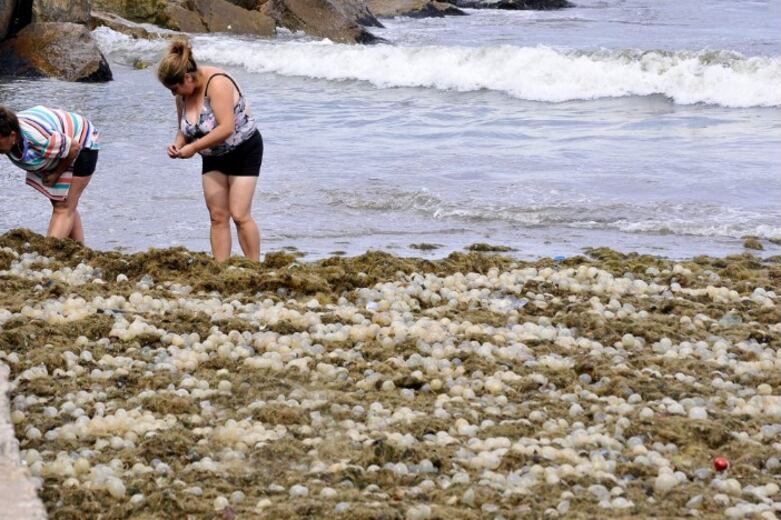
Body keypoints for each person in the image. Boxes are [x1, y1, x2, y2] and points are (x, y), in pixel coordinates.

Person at [157, 38, 263, 262]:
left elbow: (226, 128)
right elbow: (184, 129)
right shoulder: (182, 95)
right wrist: (178, 144)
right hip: (212, 156)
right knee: (217, 216)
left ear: (187, 77)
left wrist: (193, 148)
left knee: (239, 214)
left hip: (243, 150)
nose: (173, 94)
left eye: (174, 88)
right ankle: (220, 268)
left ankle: (255, 266)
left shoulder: (216, 83)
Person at [0, 105, 100, 243]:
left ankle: (48, 255)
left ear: (13, 135)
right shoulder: (8, 136)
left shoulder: (39, 139)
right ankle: (81, 252)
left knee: (64, 207)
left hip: (82, 140)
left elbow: (74, 147)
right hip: (58, 143)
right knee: (64, 205)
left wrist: (56, 173)